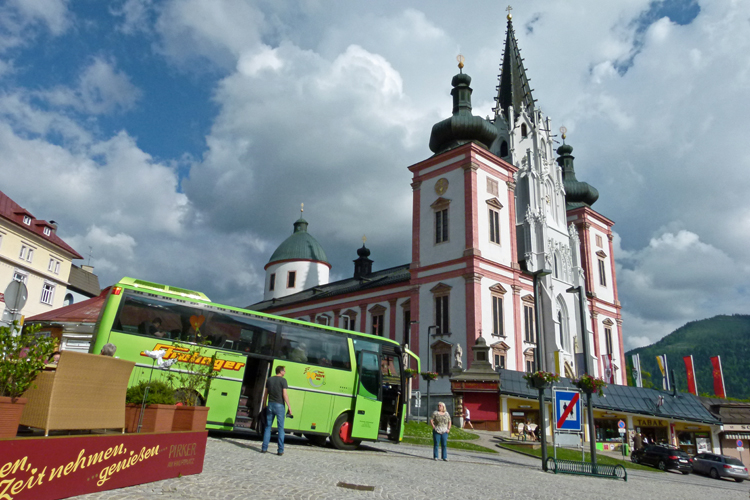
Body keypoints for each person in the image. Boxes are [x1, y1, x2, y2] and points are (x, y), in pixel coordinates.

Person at [261, 365, 293, 456]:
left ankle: (264, 448)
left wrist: (264, 405)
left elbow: (265, 393)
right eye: (284, 371)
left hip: (270, 405)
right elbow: (285, 395)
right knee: (280, 428)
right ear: (281, 371)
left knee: (268, 427)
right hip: (280, 406)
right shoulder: (283, 381)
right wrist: (289, 407)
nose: (285, 372)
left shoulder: (270, 380)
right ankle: (280, 450)